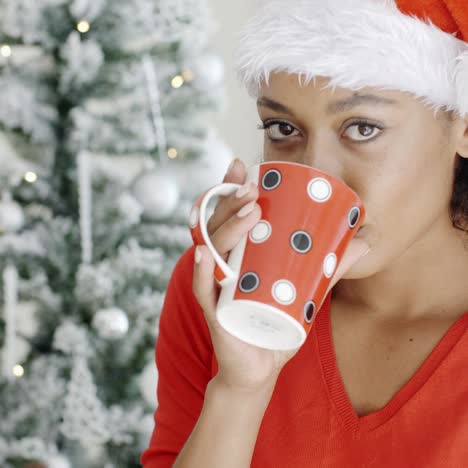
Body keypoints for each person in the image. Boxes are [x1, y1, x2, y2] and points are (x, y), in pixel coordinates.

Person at [140, 1, 468, 466]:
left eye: (362, 127)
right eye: (283, 128)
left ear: (464, 126)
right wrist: (239, 390)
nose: (319, 175)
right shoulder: (220, 290)